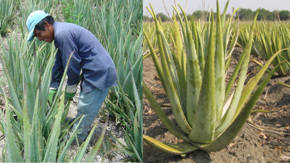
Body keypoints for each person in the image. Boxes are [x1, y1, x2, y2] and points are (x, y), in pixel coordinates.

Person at [26, 10, 117, 141]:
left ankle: (78, 137)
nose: (40, 39)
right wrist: (53, 86)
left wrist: (71, 88)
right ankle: (78, 124)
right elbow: (59, 63)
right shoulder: (60, 33)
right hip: (94, 70)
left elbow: (72, 63)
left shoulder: (62, 34)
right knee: (85, 102)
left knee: (86, 105)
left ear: (46, 24)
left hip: (99, 72)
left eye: (39, 34)